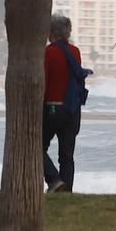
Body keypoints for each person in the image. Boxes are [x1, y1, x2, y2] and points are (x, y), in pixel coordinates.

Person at [43, 13, 91, 193]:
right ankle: (66, 191)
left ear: (51, 33)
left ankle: (55, 181)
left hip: (53, 107)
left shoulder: (48, 52)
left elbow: (45, 80)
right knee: (67, 154)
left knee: (37, 148)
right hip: (73, 109)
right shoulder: (75, 52)